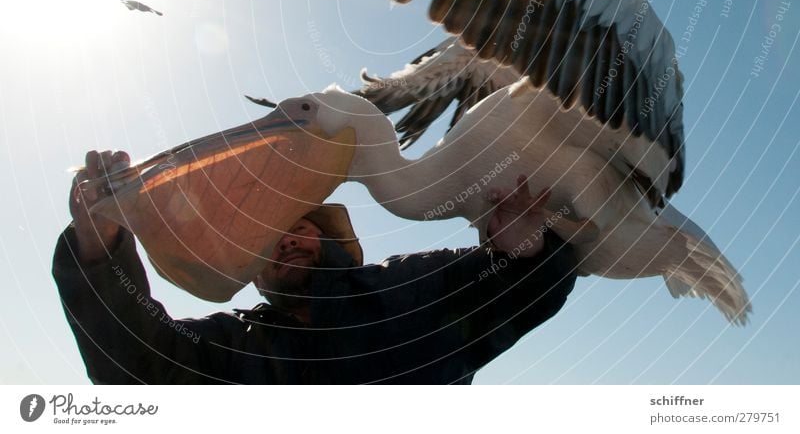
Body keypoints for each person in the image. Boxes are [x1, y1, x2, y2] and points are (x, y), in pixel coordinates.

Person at [53, 149, 578, 384]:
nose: (282, 240)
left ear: (328, 237)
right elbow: (133, 366)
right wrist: (98, 251)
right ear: (251, 269)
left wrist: (525, 252)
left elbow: (523, 294)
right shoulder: (235, 347)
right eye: (264, 237)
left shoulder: (410, 286)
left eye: (296, 225)